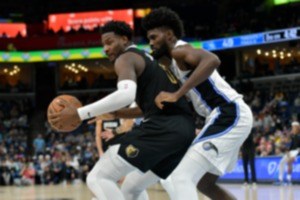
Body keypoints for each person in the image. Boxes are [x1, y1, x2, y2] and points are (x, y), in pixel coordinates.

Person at [48, 20, 195, 200]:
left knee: (98, 177)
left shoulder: (125, 58)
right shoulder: (146, 58)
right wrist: (116, 113)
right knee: (131, 188)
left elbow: (125, 95)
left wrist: (80, 113)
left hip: (162, 128)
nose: (105, 48)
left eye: (109, 42)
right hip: (183, 131)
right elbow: (151, 107)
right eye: (103, 44)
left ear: (124, 40)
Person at [127, 7, 253, 200]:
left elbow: (212, 59)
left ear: (169, 35)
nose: (151, 44)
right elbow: (149, 109)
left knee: (181, 176)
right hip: (223, 116)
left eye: (154, 37)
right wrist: (114, 113)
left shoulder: (180, 50)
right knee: (204, 183)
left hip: (229, 112)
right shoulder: (172, 67)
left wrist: (178, 93)